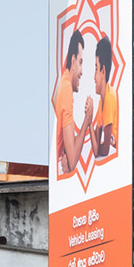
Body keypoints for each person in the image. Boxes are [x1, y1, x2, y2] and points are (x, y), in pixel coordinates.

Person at [52, 30, 95, 177]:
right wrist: (87, 120)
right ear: (72, 61)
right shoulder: (66, 89)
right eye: (80, 62)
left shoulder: (64, 84)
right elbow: (73, 159)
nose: (82, 72)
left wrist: (66, 151)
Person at [90, 35, 118, 159]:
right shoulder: (102, 101)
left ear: (103, 71)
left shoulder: (110, 97)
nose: (94, 77)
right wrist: (89, 120)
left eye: (96, 68)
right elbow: (95, 147)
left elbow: (104, 150)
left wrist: (88, 122)